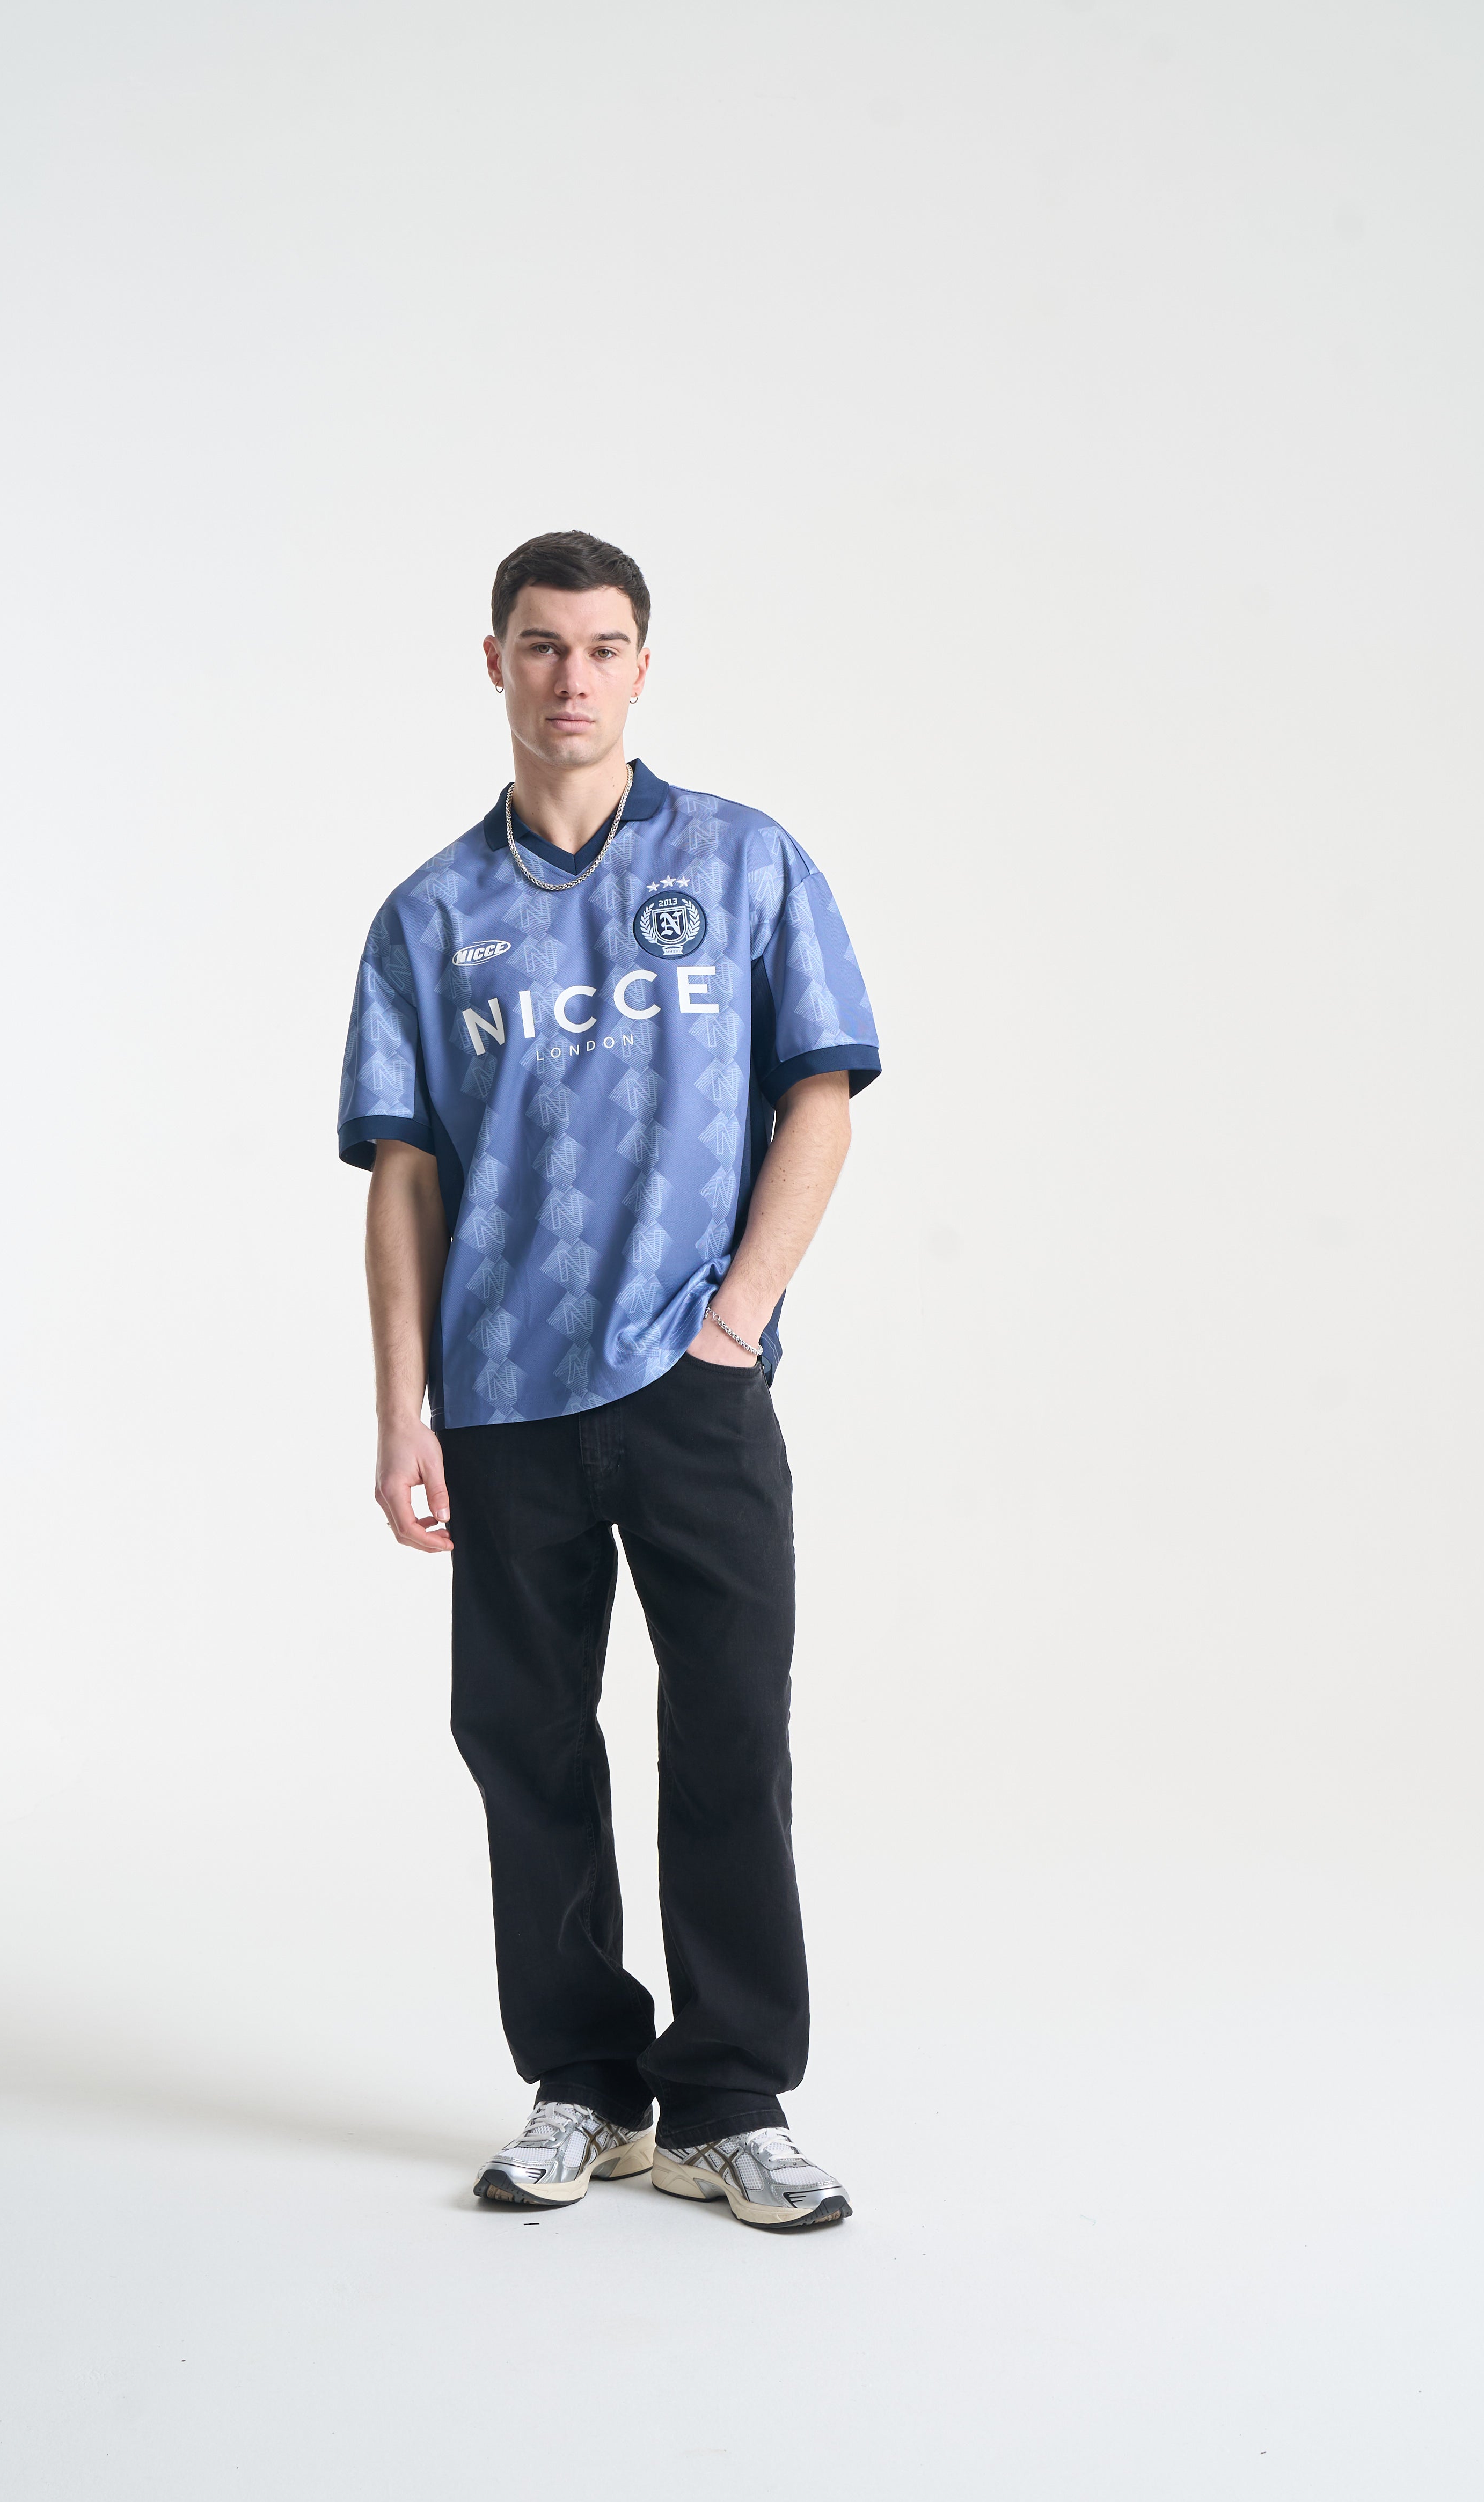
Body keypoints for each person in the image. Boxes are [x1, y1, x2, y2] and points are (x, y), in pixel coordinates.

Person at [338, 531, 881, 2232]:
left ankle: (730, 2101)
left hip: (690, 1384)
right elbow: (405, 1177)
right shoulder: (429, 916)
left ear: (644, 666)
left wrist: (738, 1320)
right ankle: (584, 2084)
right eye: (541, 645)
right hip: (503, 1397)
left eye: (603, 646)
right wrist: (404, 1408)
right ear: (494, 662)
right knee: (523, 1743)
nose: (571, 676)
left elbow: (820, 1098)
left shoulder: (744, 863)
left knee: (728, 1731)